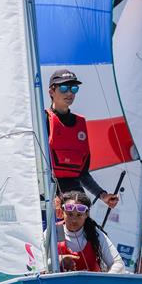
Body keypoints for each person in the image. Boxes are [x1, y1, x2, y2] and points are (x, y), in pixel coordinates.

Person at [46, 69, 119, 208]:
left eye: (73, 88)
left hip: (75, 197)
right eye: (63, 88)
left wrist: (102, 195)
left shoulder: (80, 123)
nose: (69, 93)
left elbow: (82, 174)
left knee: (82, 216)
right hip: (50, 193)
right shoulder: (44, 120)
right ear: (51, 92)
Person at [56, 191, 126, 273]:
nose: (74, 220)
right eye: (70, 214)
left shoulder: (95, 234)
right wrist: (59, 260)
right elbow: (39, 265)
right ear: (62, 212)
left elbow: (118, 263)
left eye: (79, 215)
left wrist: (105, 283)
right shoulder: (54, 232)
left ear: (86, 215)